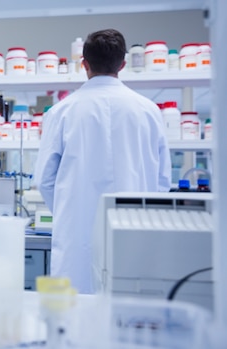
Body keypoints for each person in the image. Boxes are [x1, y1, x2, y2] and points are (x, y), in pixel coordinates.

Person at [33, 29, 172, 294]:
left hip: (77, 238)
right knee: (129, 313)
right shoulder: (148, 111)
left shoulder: (61, 112)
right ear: (123, 64)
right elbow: (163, 182)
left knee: (75, 318)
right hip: (136, 233)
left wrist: (69, 212)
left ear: (83, 63)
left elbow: (44, 181)